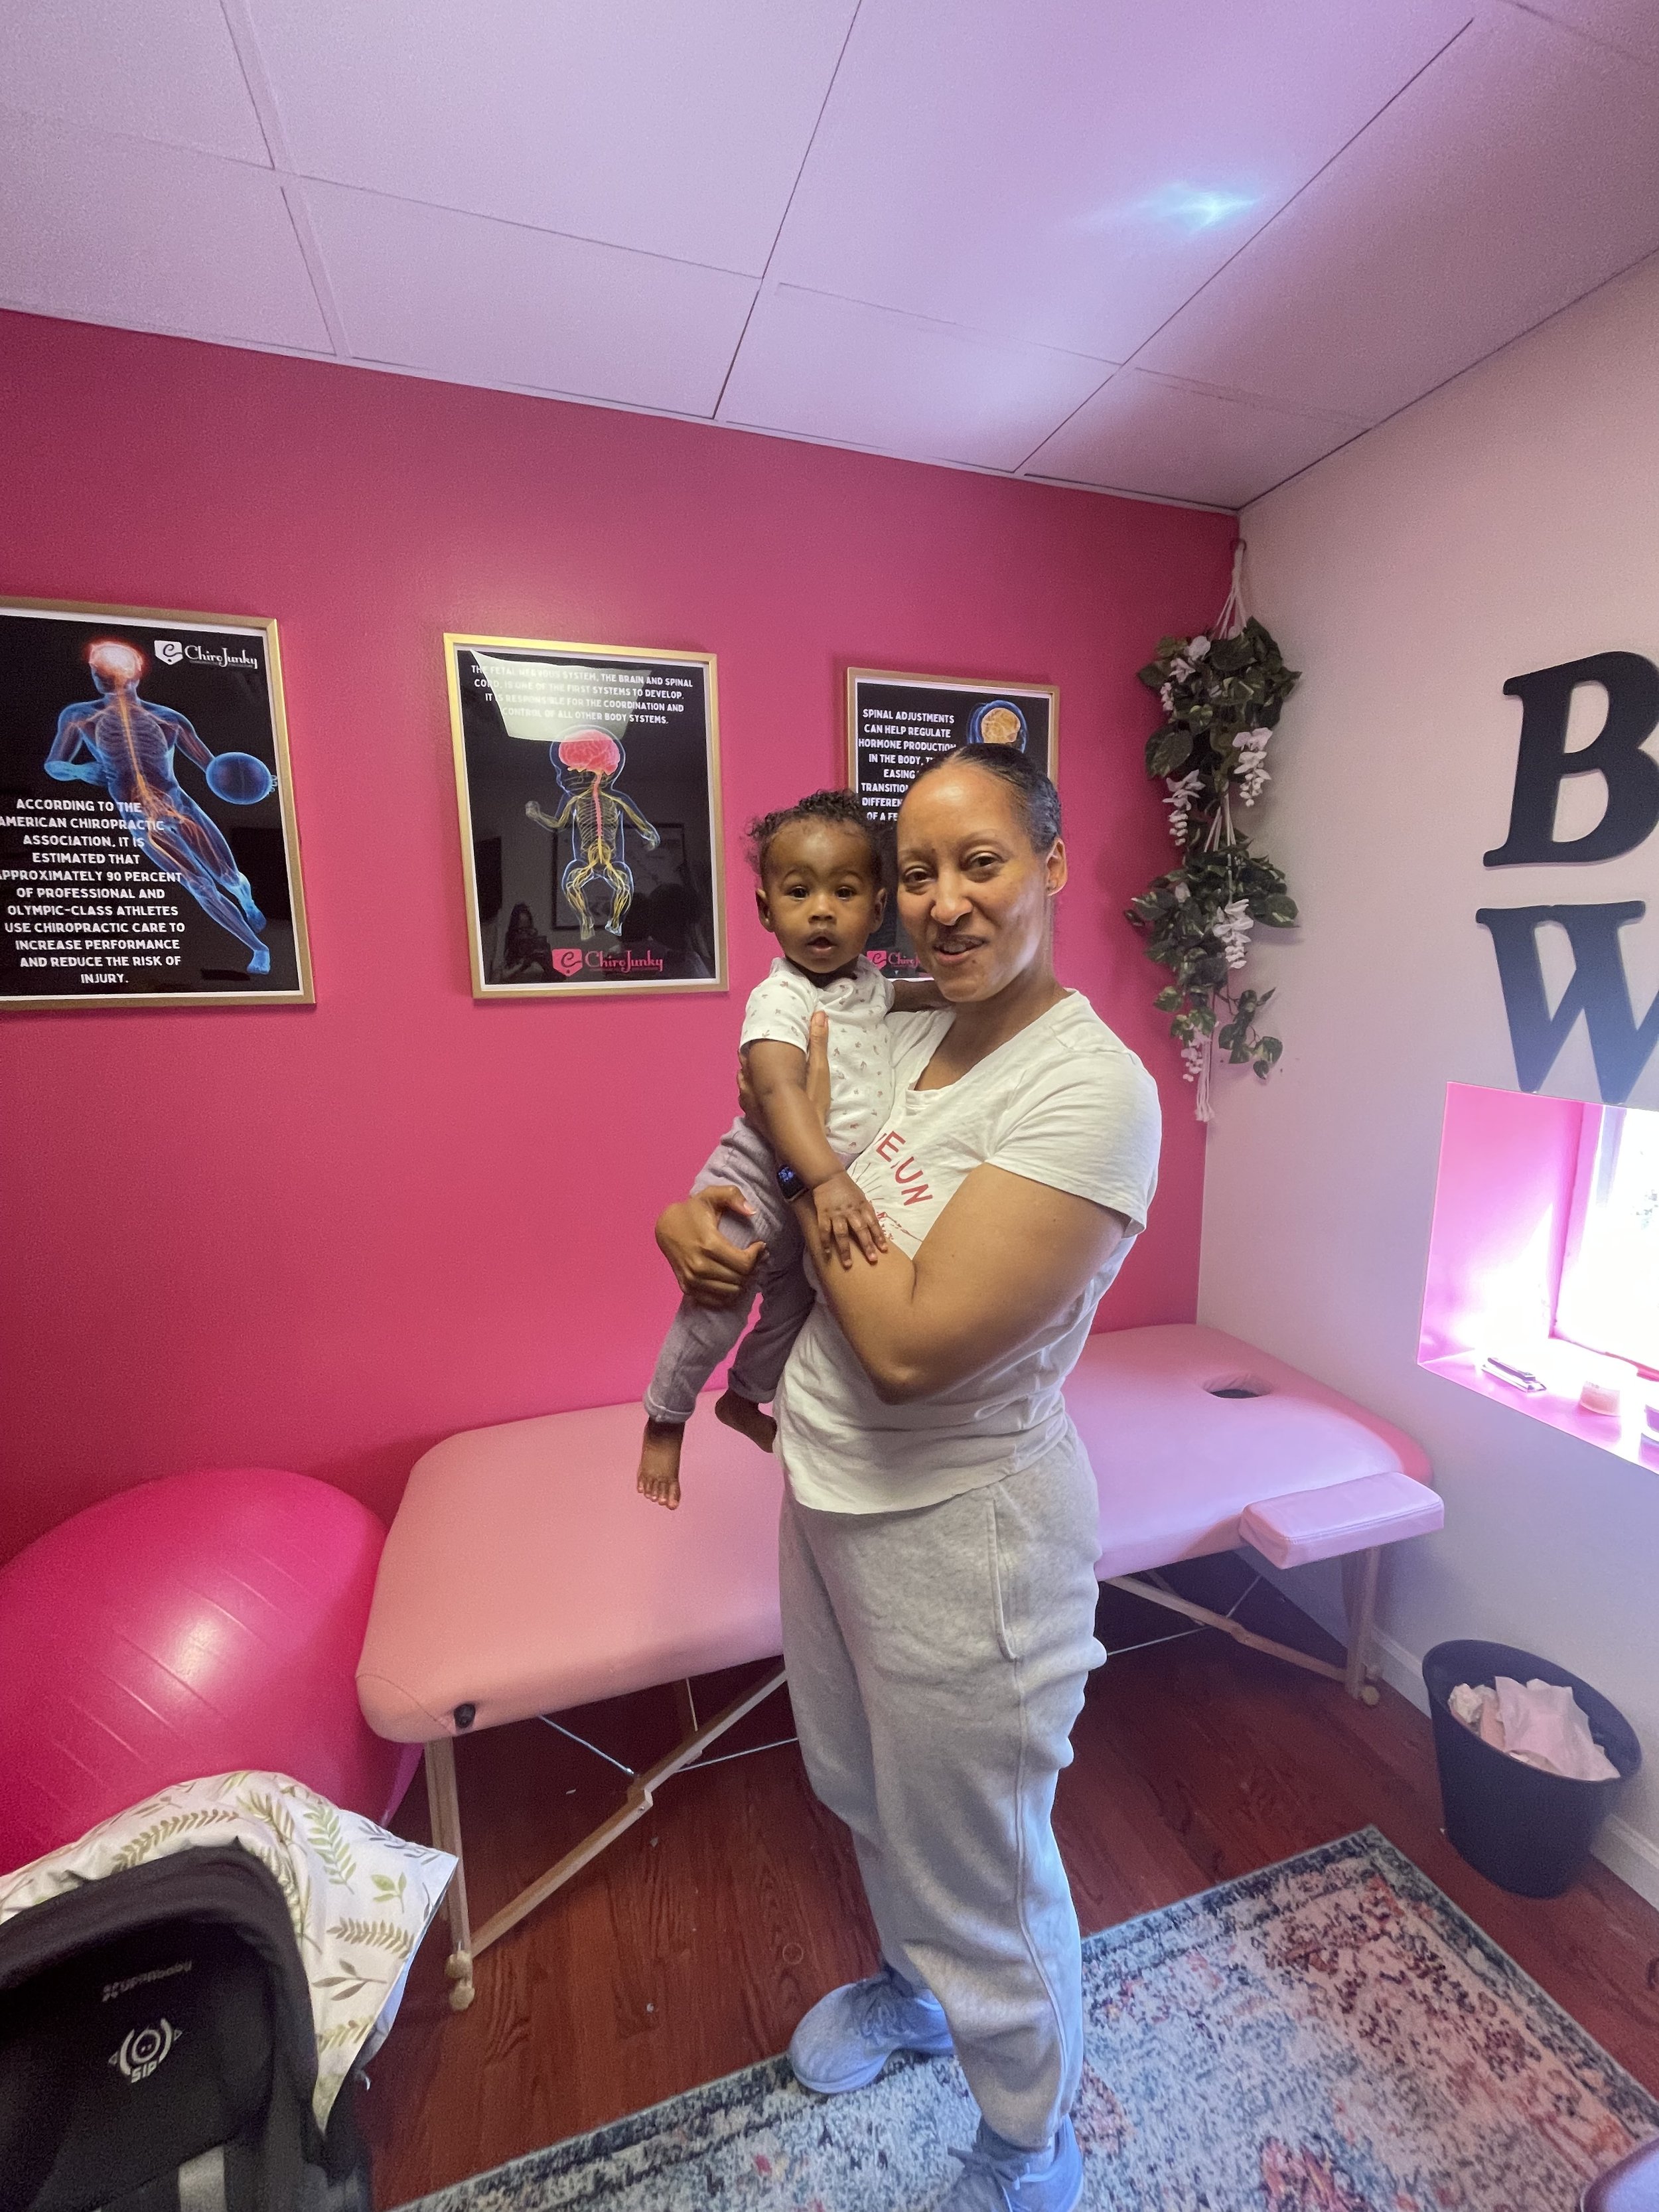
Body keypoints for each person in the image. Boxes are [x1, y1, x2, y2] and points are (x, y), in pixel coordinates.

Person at [654, 747, 1161, 2212]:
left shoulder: (1089, 1092)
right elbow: (752, 1144)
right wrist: (703, 1217)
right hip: (826, 1497)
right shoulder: (883, 1014)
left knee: (984, 1865)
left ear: (1052, 864)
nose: (940, 903)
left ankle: (1028, 2137)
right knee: (861, 1788)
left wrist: (805, 1185)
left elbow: (909, 1347)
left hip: (965, 1533)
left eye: (980, 863)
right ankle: (912, 1990)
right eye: (917, 869)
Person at [638, 788, 941, 1509]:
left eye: (844, 892)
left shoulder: (871, 986)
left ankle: (745, 1397)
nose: (822, 911)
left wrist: (978, 991)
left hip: (814, 1191)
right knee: (717, 1299)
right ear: (766, 909)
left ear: (878, 907)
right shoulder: (781, 997)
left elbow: (920, 996)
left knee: (797, 1310)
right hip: (757, 1174)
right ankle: (663, 1416)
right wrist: (828, 1178)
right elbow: (773, 1095)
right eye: (799, 892)